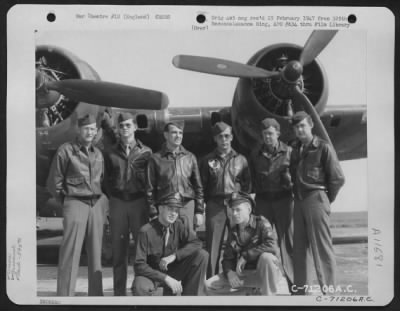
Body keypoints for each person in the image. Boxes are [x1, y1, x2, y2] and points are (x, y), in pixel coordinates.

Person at [47, 114, 107, 296]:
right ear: (79, 130)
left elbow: (102, 180)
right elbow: (54, 182)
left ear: (96, 131)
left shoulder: (98, 154)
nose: (90, 132)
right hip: (75, 202)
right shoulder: (66, 151)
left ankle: (96, 297)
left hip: (96, 204)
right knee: (70, 252)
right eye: (86, 128)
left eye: (93, 129)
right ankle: (65, 296)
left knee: (96, 255)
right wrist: (66, 202)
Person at [289, 111, 345, 295]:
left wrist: (325, 199)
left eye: (302, 126)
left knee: (321, 248)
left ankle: (329, 293)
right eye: (296, 127)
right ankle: (300, 292)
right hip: (298, 200)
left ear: (311, 125)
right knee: (299, 249)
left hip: (316, 198)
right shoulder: (295, 149)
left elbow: (337, 178)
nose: (299, 130)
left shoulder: (323, 147)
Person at [103, 112, 152, 296]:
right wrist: (113, 198)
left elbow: (150, 180)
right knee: (118, 252)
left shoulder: (146, 152)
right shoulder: (110, 153)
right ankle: (118, 295)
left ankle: (142, 290)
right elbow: (106, 180)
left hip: (139, 203)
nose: (125, 129)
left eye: (128, 125)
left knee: (141, 252)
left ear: (135, 127)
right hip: (118, 203)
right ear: (117, 128)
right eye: (121, 125)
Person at [200, 121, 251, 277]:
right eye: (220, 136)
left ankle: (243, 281)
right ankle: (211, 282)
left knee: (242, 242)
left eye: (227, 136)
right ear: (215, 139)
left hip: (235, 204)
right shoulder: (207, 160)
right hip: (215, 206)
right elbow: (201, 186)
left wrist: (242, 204)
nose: (224, 140)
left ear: (232, 137)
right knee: (213, 247)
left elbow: (247, 186)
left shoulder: (241, 159)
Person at [205, 192, 282, 296]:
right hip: (245, 275)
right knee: (208, 285)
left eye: (238, 210)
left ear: (249, 210)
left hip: (263, 273)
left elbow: (272, 245)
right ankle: (248, 292)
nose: (234, 213)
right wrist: (229, 273)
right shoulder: (233, 231)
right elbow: (227, 258)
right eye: (233, 210)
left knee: (267, 257)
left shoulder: (261, 223)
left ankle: (269, 298)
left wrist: (246, 256)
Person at [132, 193, 209, 296]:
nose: (174, 213)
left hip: (173, 270)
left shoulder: (179, 225)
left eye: (176, 211)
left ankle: (190, 301)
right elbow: (139, 265)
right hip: (153, 274)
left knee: (202, 255)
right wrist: (165, 278)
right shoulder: (146, 231)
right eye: (170, 209)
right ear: (160, 209)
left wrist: (175, 256)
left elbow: (196, 243)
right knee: (140, 286)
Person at [250, 118, 294, 292]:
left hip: (284, 201)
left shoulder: (290, 152)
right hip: (263, 202)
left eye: (270, 133)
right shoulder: (255, 154)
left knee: (288, 244)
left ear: (278, 133)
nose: (267, 137)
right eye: (264, 134)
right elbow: (251, 179)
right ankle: (262, 286)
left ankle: (295, 286)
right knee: (260, 242)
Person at [146, 120, 204, 230]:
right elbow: (150, 189)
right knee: (166, 243)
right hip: (165, 207)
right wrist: (153, 212)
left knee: (188, 243)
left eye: (180, 133)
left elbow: (198, 187)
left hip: (186, 206)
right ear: (166, 135)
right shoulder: (155, 159)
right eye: (174, 132)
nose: (178, 136)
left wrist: (199, 211)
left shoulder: (190, 157)